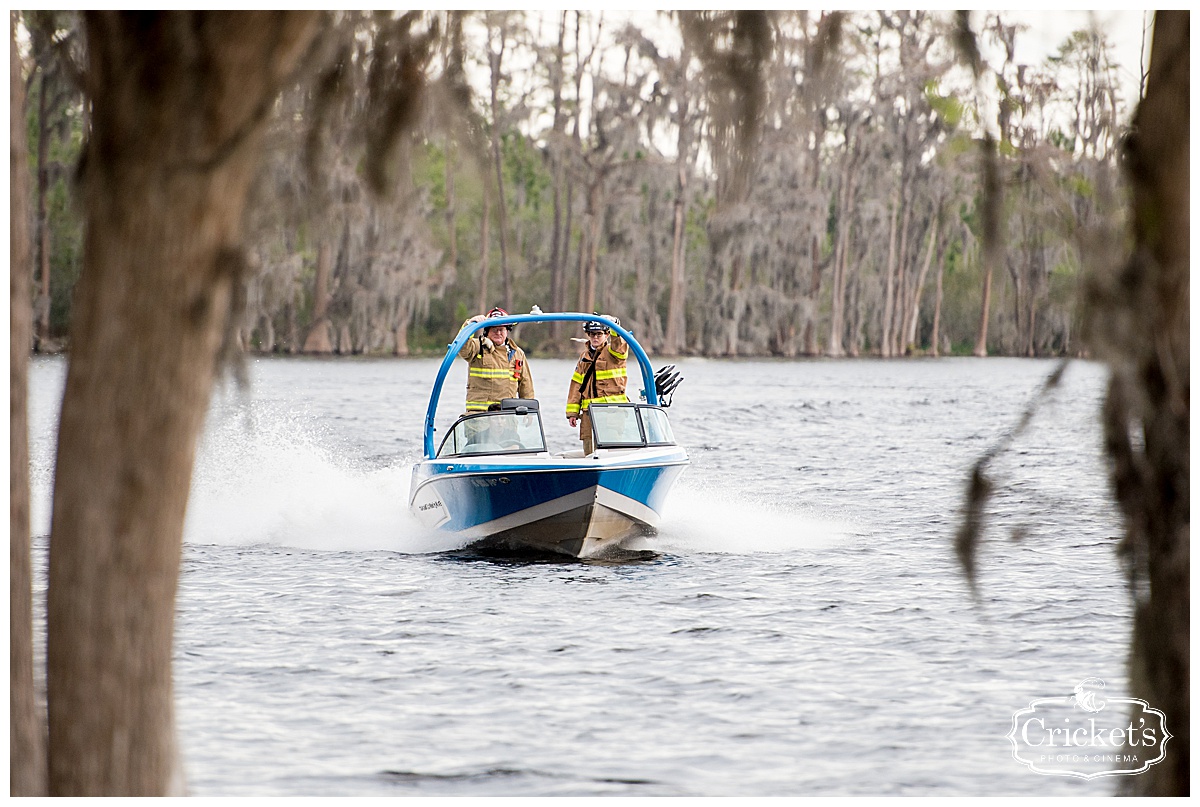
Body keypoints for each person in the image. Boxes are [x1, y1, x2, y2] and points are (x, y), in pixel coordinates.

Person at [565, 315, 628, 454]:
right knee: (589, 451)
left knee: (611, 452)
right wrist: (572, 413)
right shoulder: (584, 357)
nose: (595, 337)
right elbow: (576, 385)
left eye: (599, 334)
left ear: (606, 335)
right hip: (588, 416)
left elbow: (620, 345)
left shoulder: (613, 353)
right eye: (592, 334)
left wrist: (614, 326)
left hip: (611, 413)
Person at [457, 307, 535, 415]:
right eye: (494, 329)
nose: (498, 333)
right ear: (487, 331)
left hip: (507, 419)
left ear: (507, 331)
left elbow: (526, 387)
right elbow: (461, 347)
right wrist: (470, 324)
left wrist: (529, 413)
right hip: (479, 419)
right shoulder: (478, 347)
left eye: (501, 329)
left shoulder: (517, 354)